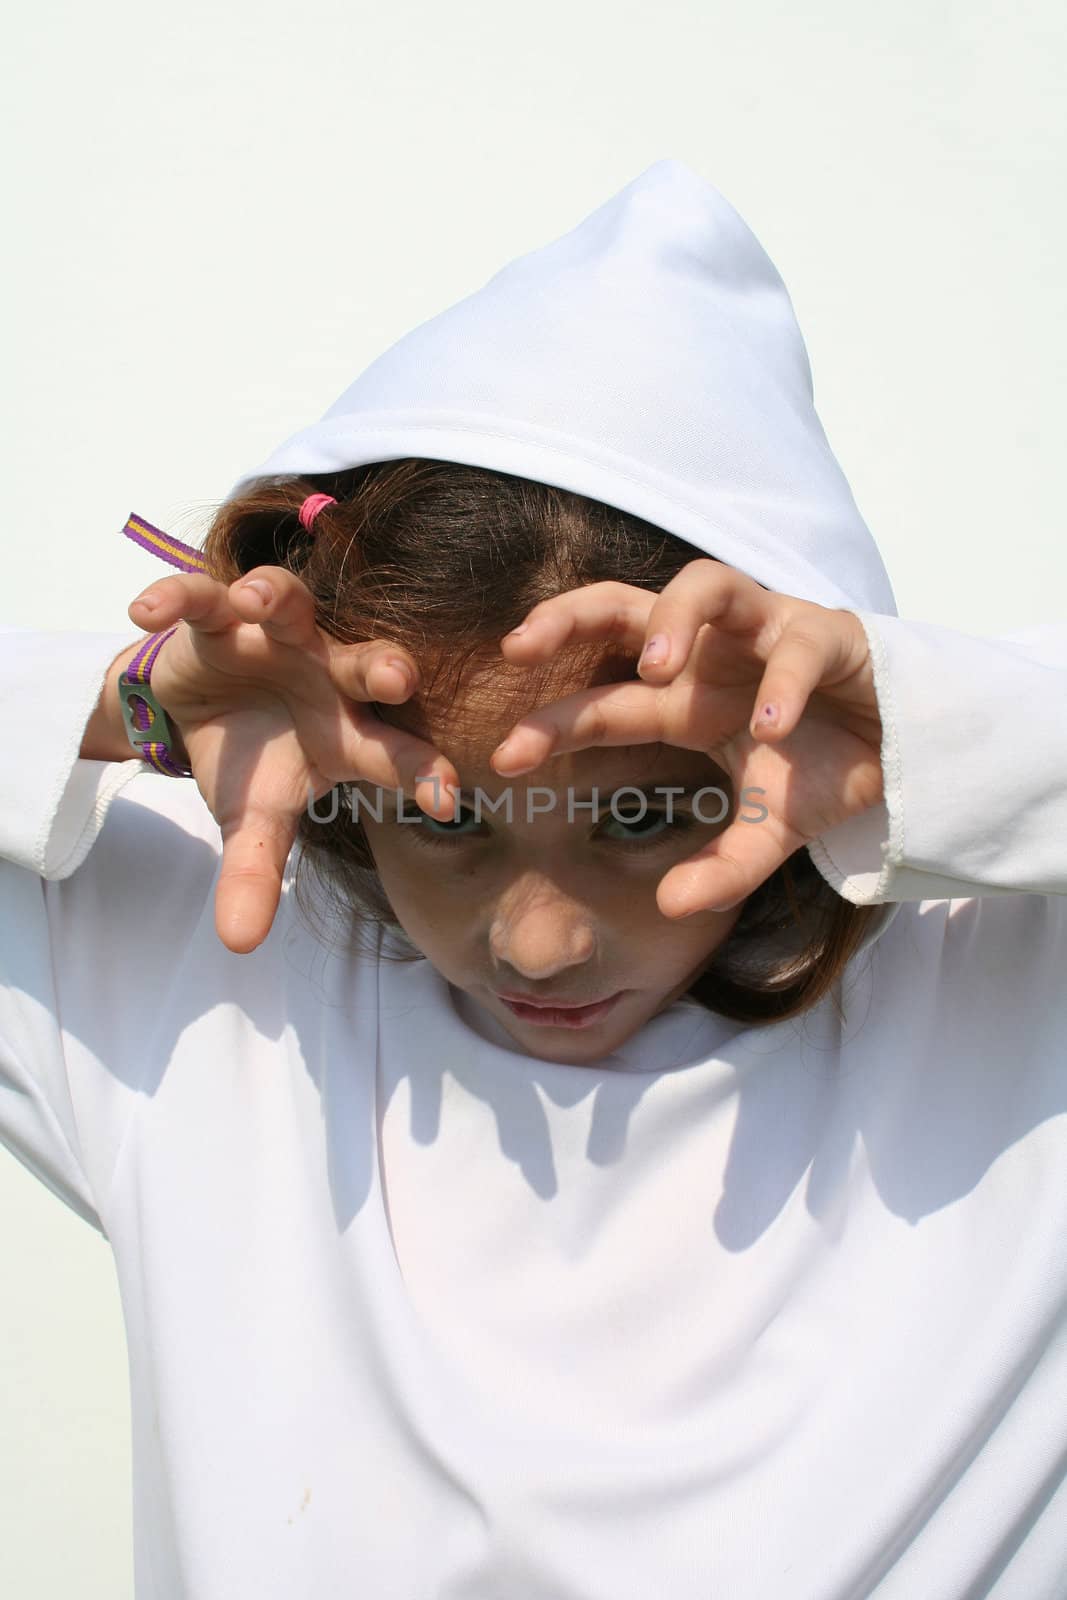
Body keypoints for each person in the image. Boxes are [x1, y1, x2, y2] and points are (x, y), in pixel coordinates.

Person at [1, 159, 1064, 1598]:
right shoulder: (206, 1006)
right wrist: (124, 707)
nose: (541, 941)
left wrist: (930, 730)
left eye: (639, 816)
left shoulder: (1006, 1021)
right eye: (446, 819)